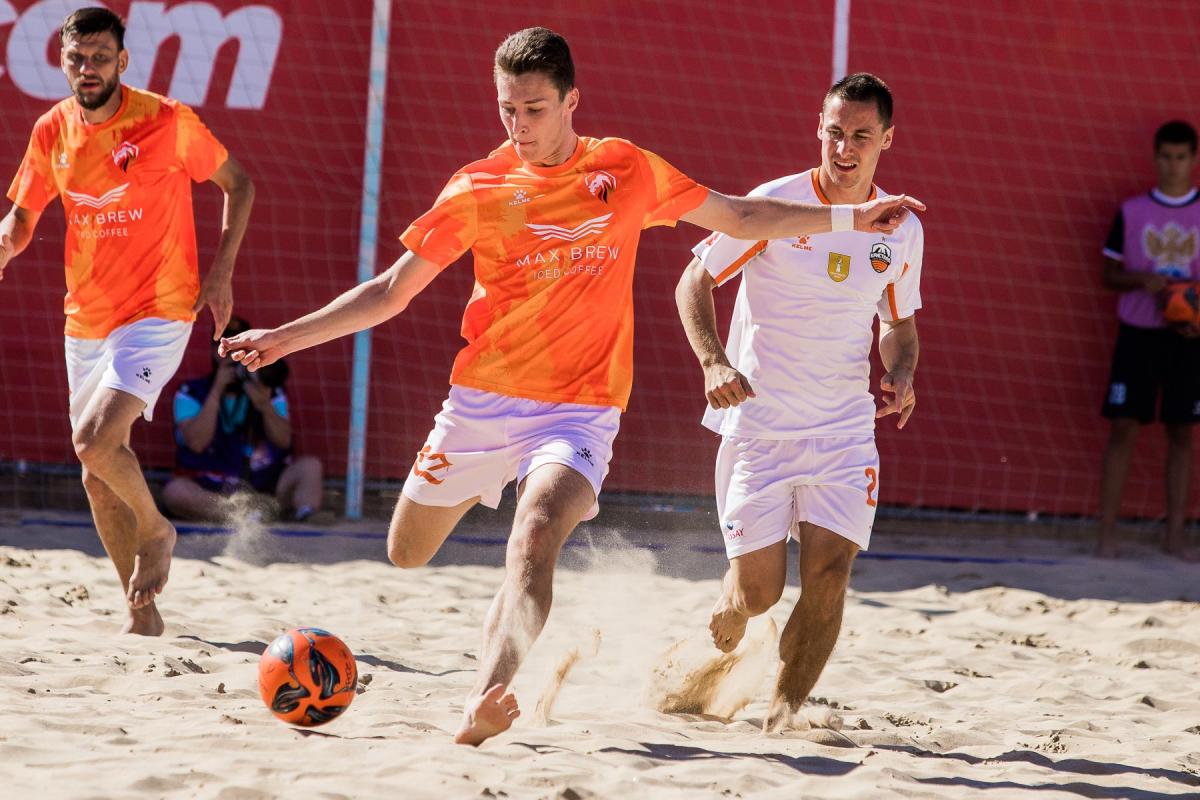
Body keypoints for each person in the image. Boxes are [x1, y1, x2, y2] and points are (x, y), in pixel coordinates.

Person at [220, 28, 922, 746]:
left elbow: (740, 216)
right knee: (407, 551)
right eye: (507, 109)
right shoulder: (479, 187)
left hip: (580, 410)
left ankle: (486, 699)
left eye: (533, 109)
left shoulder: (624, 168)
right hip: (482, 401)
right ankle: (512, 632)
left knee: (534, 534)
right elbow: (390, 292)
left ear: (570, 102)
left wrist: (852, 217)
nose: (519, 126)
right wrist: (284, 337)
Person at [675, 73, 923, 733]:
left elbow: (899, 325)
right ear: (818, 128)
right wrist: (713, 361)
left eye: (861, 136)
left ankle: (781, 721)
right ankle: (732, 603)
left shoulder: (900, 227)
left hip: (844, 431)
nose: (844, 148)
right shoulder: (773, 206)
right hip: (761, 427)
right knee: (760, 594)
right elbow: (694, 280)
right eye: (834, 132)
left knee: (830, 577)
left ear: (887, 140)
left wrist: (901, 371)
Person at [0, 8, 254, 635]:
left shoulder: (166, 120)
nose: (88, 68)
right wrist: (4, 244)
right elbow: (22, 221)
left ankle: (158, 529)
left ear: (123, 61)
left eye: (100, 57)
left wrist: (220, 272)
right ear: (62, 60)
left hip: (159, 310)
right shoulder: (52, 129)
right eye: (77, 58)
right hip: (86, 319)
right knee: (96, 474)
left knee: (92, 441)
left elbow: (239, 184)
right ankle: (143, 617)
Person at [1097, 121, 1200, 561]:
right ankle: (1106, 534)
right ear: (1155, 158)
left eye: (1181, 157)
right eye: (1166, 156)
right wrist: (1144, 280)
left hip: (1188, 339)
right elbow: (1109, 274)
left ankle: (1175, 536)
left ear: (1193, 159)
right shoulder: (1132, 210)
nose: (1173, 165)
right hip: (1138, 334)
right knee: (1123, 427)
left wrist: (1193, 308)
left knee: (1182, 432)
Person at [162, 317, 325, 524]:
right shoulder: (191, 392)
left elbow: (284, 441)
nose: (233, 357)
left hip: (261, 483)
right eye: (226, 349)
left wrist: (264, 405)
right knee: (175, 492)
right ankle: (239, 515)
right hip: (211, 483)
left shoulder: (269, 390)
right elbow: (196, 443)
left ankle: (306, 513)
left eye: (239, 350)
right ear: (213, 351)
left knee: (310, 466)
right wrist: (216, 391)